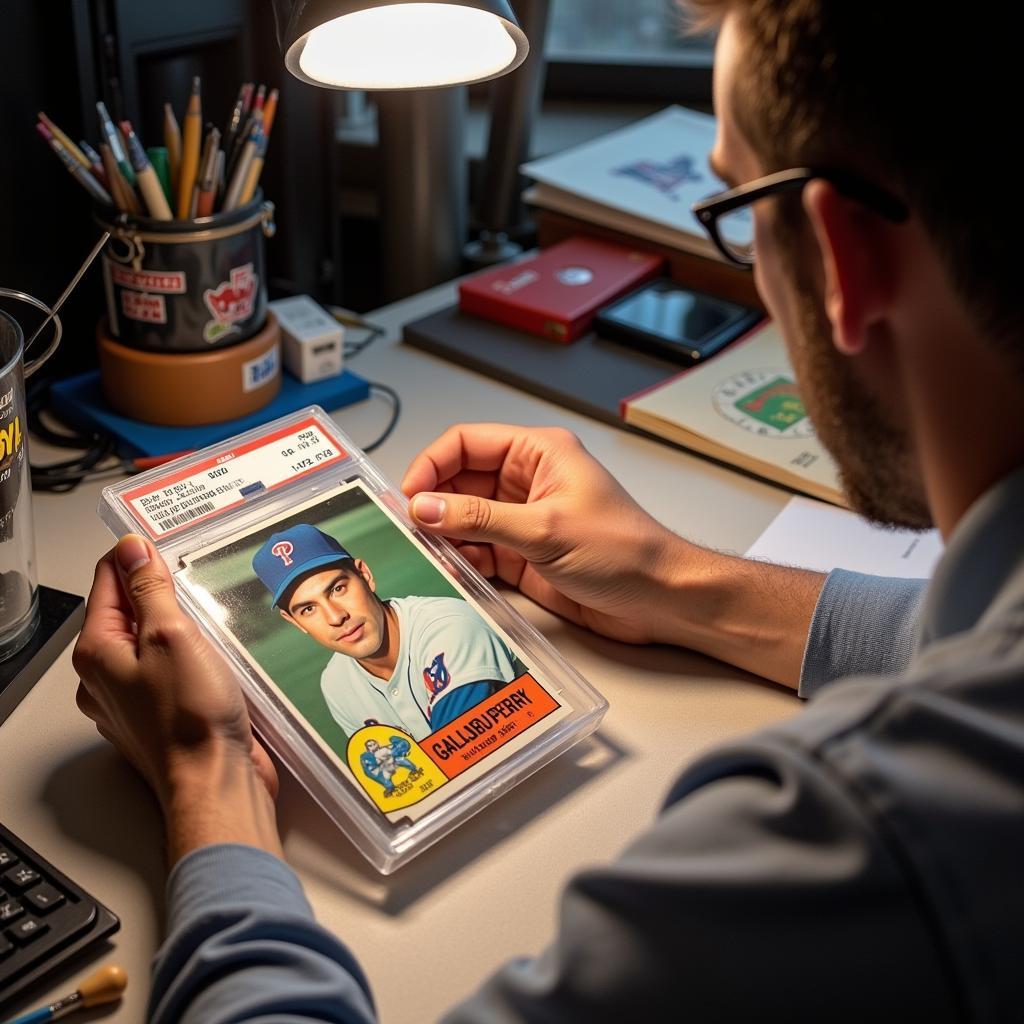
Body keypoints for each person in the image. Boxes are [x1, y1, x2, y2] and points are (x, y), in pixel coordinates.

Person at [71, 1, 1024, 1019]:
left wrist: (206, 777)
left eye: (740, 212)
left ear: (843, 257)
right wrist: (676, 581)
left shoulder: (857, 839)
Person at [251, 523, 522, 740]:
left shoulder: (450, 626)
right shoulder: (334, 684)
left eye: (338, 589)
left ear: (365, 575)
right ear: (295, 622)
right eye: (308, 609)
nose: (335, 616)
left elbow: (465, 756)